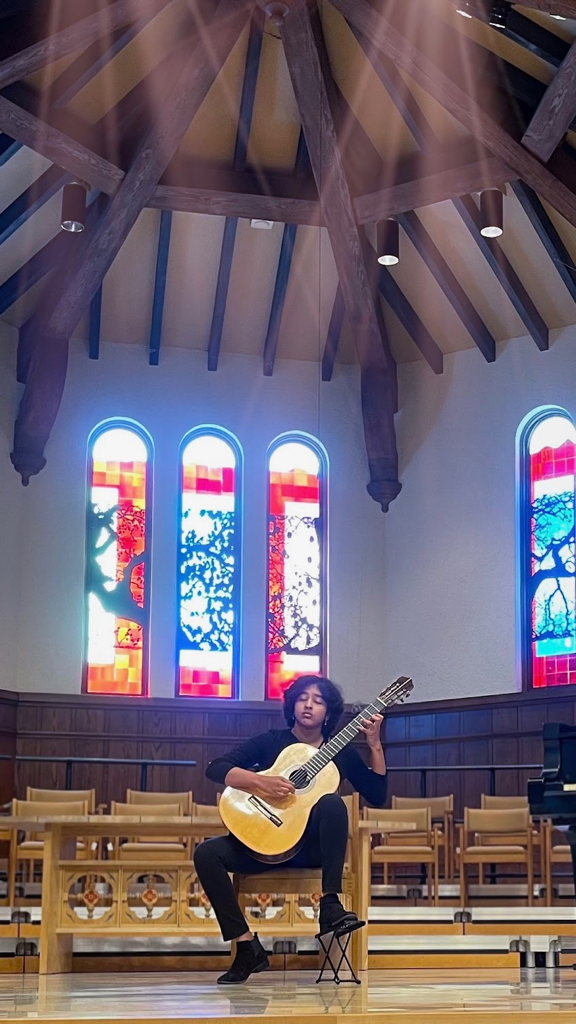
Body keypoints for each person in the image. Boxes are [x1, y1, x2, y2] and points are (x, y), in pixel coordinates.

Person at [193, 674, 387, 985]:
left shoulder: (341, 753)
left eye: (318, 700)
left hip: (311, 851)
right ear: (292, 704)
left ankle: (331, 905)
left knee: (333, 803)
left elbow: (377, 795)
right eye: (302, 698)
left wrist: (375, 746)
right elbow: (215, 768)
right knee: (207, 853)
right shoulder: (273, 742)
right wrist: (262, 782)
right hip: (263, 845)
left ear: (329, 712)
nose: (309, 705)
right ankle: (246, 947)